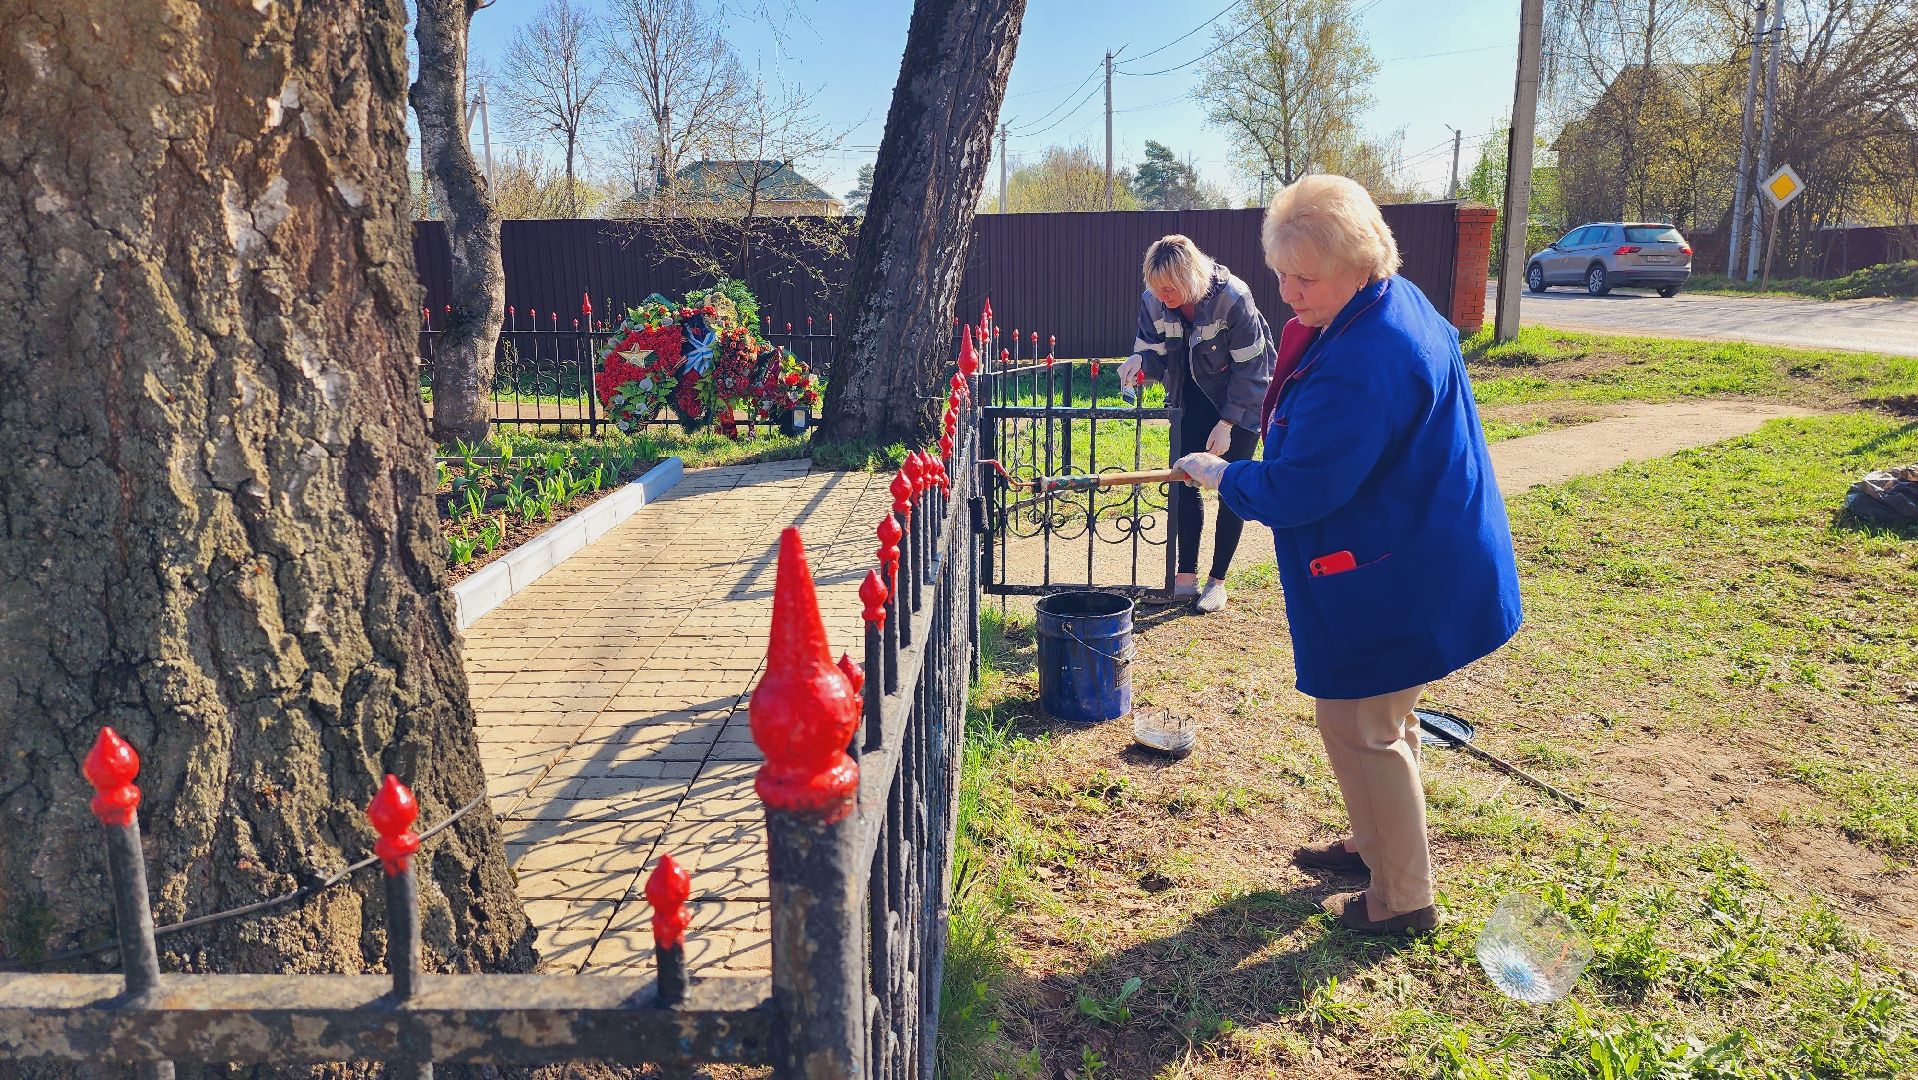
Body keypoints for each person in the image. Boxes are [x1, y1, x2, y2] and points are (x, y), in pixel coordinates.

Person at [1173, 175, 1522, 935]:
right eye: (1281, 274)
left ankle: (1403, 899)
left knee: (1371, 727)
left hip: (1406, 569)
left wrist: (1227, 476)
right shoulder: (1379, 305)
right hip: (1403, 550)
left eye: (1306, 277)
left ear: (1362, 261)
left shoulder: (1373, 352)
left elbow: (1304, 487)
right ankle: (1374, 846)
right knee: (1352, 718)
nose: (1287, 292)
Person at [1117, 235, 1276, 612]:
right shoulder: (1153, 302)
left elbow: (1254, 372)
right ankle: (1184, 578)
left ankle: (1217, 581)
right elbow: (1154, 354)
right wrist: (1139, 364)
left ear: (1191, 276)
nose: (1162, 294)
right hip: (1189, 400)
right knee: (1185, 479)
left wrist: (1227, 423)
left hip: (1242, 401)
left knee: (1230, 485)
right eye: (1156, 287)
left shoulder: (1233, 298)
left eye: (1170, 286)